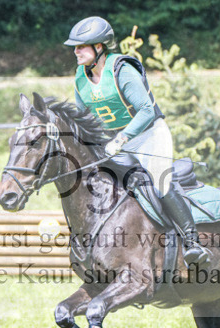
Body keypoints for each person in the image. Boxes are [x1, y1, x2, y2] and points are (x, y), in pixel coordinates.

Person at [64, 16, 210, 267]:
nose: (76, 51)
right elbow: (83, 119)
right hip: (113, 142)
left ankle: (192, 242)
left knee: (160, 182)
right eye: (75, 47)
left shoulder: (122, 69)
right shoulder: (80, 77)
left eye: (81, 46)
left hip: (149, 135)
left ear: (99, 47)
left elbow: (145, 110)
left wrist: (122, 137)